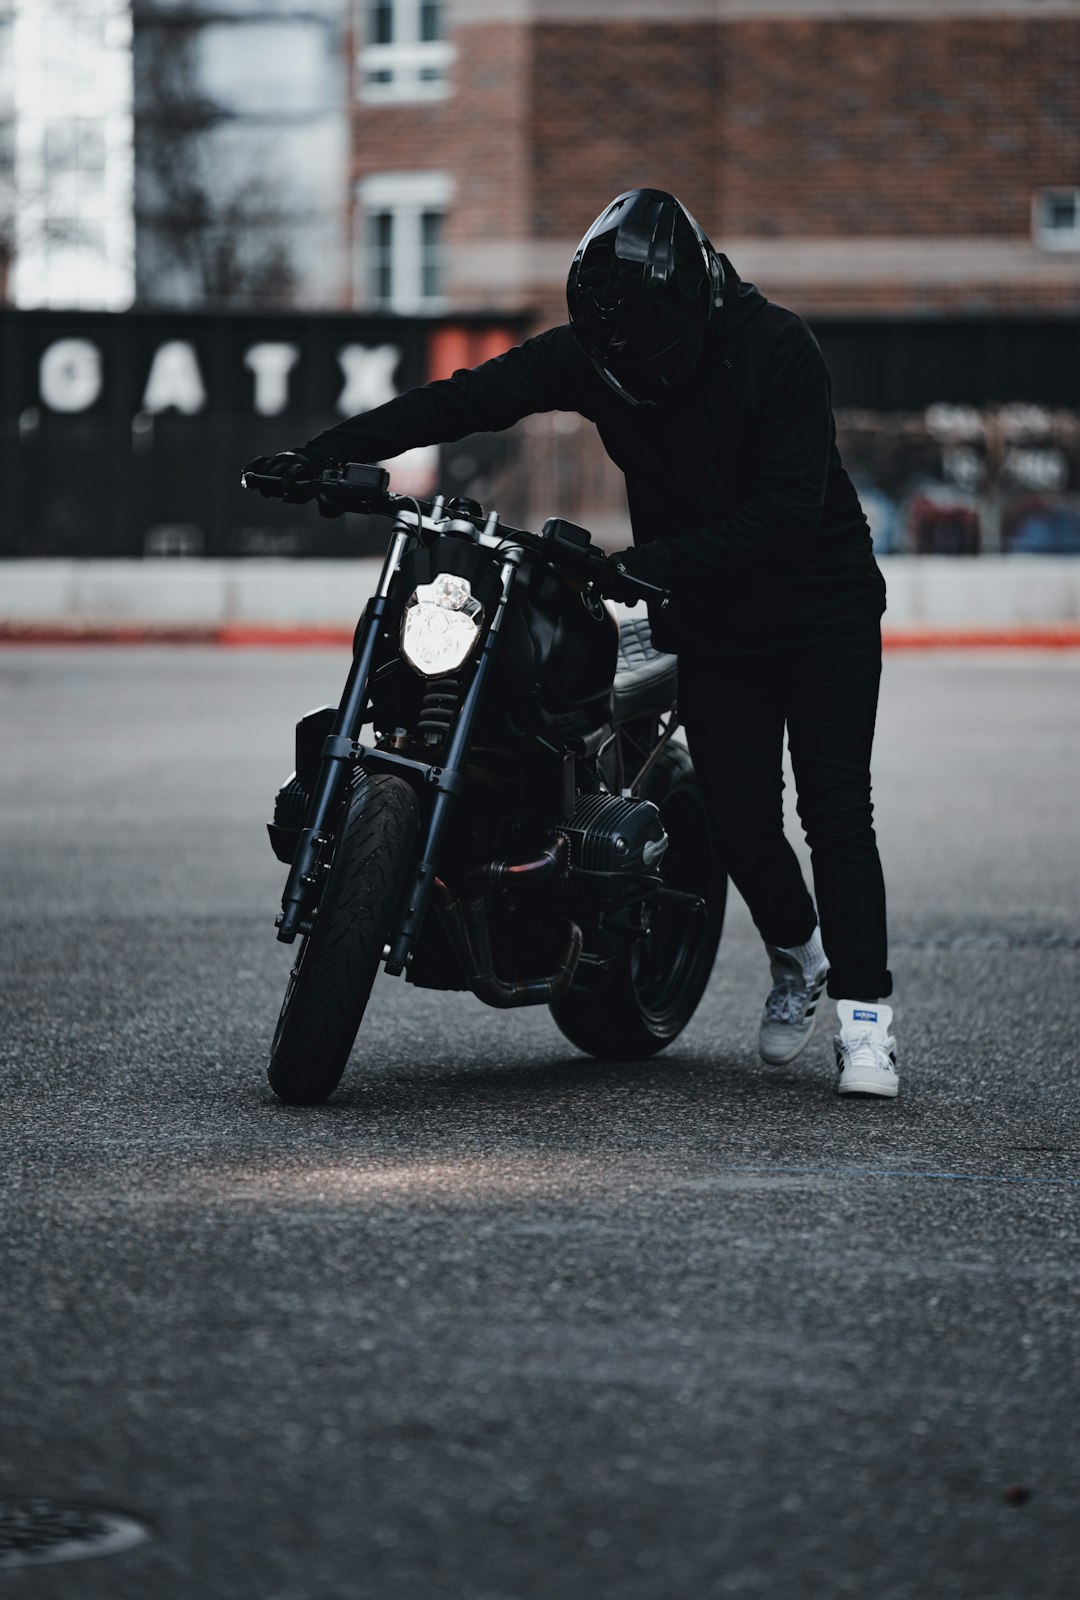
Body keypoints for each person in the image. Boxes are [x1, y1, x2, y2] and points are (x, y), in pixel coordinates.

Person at [244, 188, 899, 1098]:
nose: (633, 370)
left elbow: (788, 511)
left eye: (648, 353)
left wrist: (648, 563)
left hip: (818, 605)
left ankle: (867, 1022)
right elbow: (468, 398)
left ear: (699, 305)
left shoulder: (777, 349)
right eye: (612, 353)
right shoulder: (600, 352)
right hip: (709, 614)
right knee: (745, 820)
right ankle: (799, 957)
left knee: (836, 813)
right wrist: (324, 452)